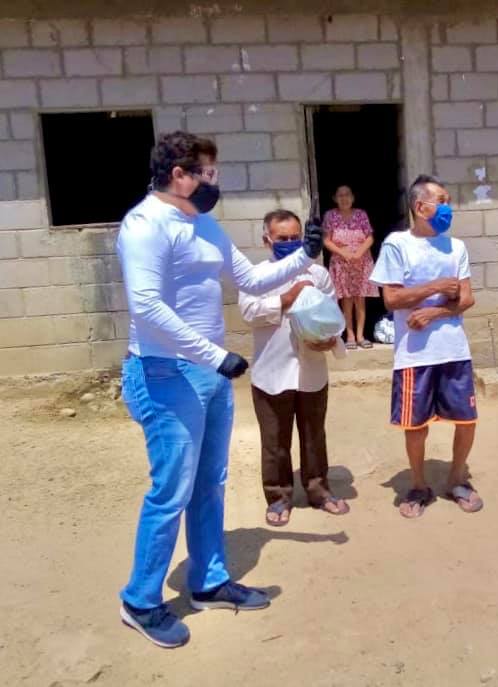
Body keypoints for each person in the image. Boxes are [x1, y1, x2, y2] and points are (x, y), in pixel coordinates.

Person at [117, 131, 323, 648]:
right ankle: (140, 600)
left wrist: (305, 255)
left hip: (208, 376)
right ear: (179, 174)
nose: (216, 181)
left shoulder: (203, 223)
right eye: (208, 173)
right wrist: (215, 355)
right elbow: (147, 307)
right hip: (164, 373)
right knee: (171, 491)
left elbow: (250, 279)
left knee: (210, 483)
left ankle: (208, 581)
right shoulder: (145, 225)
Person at [369, 175, 482, 519]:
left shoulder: (456, 247)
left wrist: (434, 312)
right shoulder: (397, 244)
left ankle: (457, 479)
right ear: (421, 207)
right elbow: (391, 299)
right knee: (415, 425)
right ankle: (419, 486)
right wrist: (435, 287)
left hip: (454, 350)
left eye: (448, 200)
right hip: (414, 354)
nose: (448, 207)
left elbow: (466, 298)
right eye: (441, 201)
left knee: (467, 420)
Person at [239, 210, 350, 526]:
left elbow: (331, 315)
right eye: (282, 238)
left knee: (314, 435)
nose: (290, 243)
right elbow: (249, 312)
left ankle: (318, 489)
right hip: (271, 372)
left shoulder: (318, 274)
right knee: (274, 441)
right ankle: (278, 496)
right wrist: (289, 297)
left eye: (295, 237)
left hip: (311, 369)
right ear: (267, 240)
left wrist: (331, 341)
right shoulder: (256, 276)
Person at [322, 185, 379, 349]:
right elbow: (326, 240)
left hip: (362, 261)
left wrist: (359, 252)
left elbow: (369, 237)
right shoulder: (330, 215)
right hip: (341, 262)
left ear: (353, 198)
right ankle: (350, 336)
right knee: (346, 299)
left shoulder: (361, 214)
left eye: (347, 194)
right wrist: (344, 253)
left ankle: (361, 335)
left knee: (360, 298)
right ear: (335, 199)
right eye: (340, 195)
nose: (344, 198)